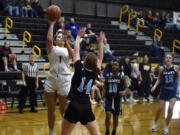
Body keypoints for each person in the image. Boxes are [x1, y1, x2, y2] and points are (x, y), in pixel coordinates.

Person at [60, 28, 105, 135]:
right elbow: (100, 57)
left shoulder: (79, 67)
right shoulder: (95, 72)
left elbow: (76, 51)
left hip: (74, 104)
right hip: (86, 106)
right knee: (96, 133)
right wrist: (100, 43)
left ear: (84, 61)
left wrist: (78, 37)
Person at [44, 20, 73, 135]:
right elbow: (49, 40)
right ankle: (51, 132)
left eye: (62, 36)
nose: (60, 38)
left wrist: (67, 42)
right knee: (50, 109)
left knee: (63, 110)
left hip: (65, 79)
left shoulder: (67, 49)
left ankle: (65, 132)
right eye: (58, 37)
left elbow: (72, 56)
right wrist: (52, 24)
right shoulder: (52, 49)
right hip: (51, 79)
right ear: (56, 40)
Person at [151, 54, 179, 135]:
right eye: (166, 57)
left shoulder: (176, 68)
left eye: (170, 58)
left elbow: (178, 78)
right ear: (164, 60)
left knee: (170, 109)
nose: (168, 59)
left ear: (172, 60)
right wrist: (155, 86)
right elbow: (159, 78)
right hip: (164, 90)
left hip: (173, 91)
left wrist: (179, 88)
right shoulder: (161, 68)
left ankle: (166, 126)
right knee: (159, 108)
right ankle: (155, 122)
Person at [103, 61, 124, 135]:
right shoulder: (108, 76)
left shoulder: (122, 77)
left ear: (119, 67)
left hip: (117, 99)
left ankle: (114, 130)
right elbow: (105, 87)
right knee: (108, 115)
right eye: (113, 65)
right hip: (108, 98)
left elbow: (129, 88)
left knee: (115, 117)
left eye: (116, 65)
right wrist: (103, 97)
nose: (114, 66)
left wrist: (124, 92)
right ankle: (107, 131)